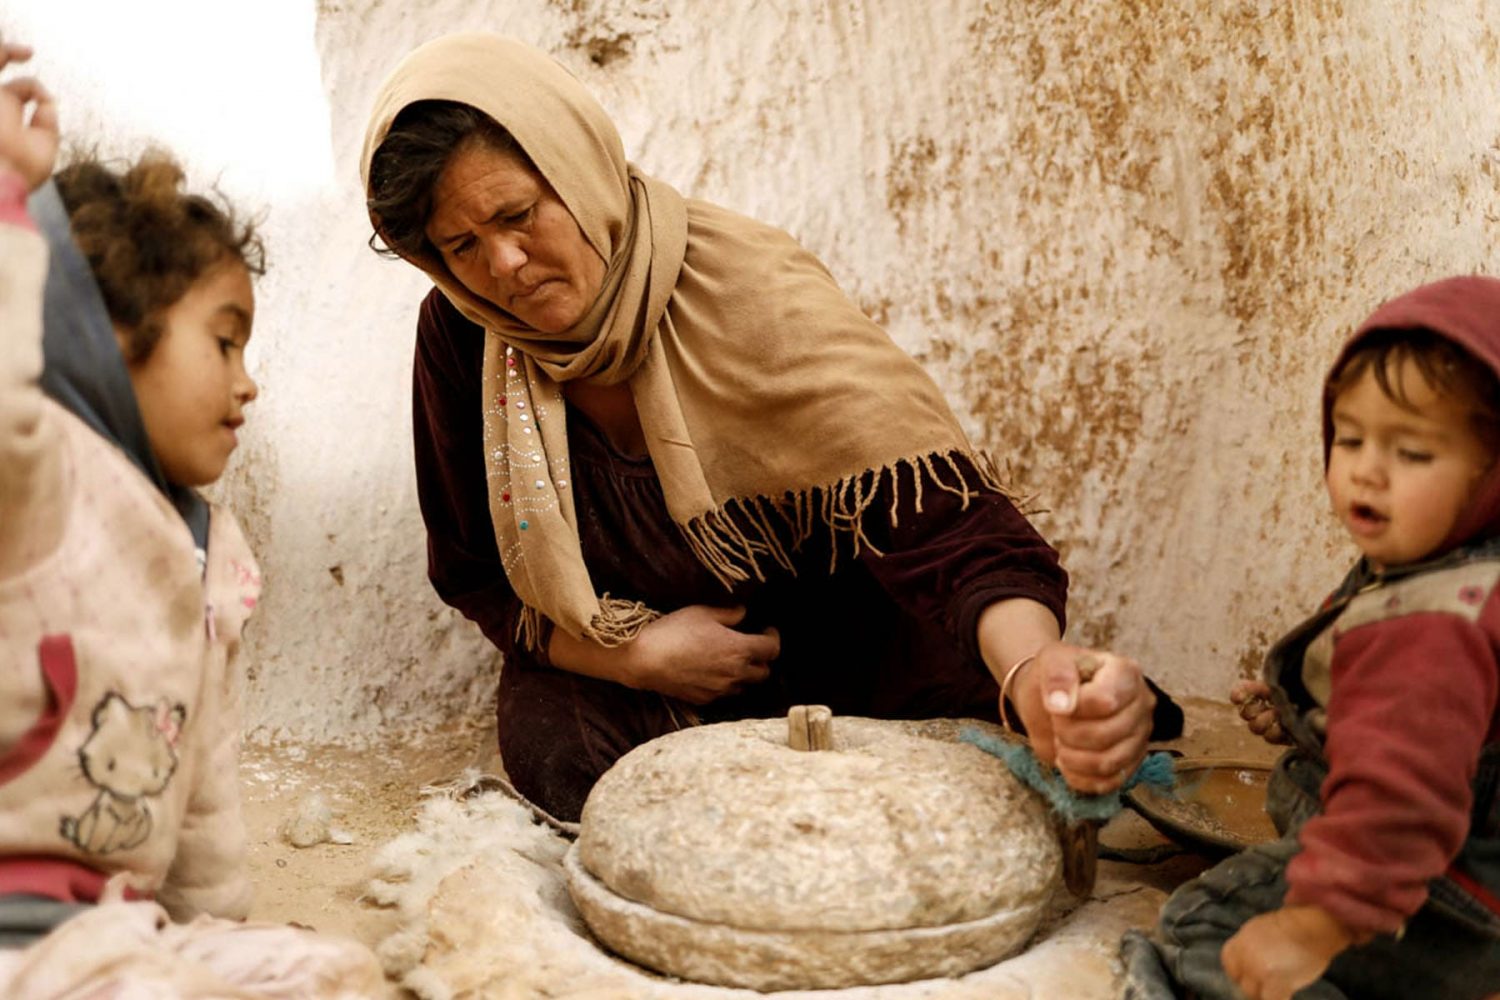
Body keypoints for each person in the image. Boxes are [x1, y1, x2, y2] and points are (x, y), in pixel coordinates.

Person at [361, 33, 1179, 823]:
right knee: (555, 749)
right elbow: (476, 574)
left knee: (973, 741)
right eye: (460, 246)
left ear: (577, 173)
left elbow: (948, 529)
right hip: (651, 676)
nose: (502, 265)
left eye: (518, 215)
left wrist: (1035, 672)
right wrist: (638, 655)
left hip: (840, 645)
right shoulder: (465, 335)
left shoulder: (746, 287)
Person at [0, 41, 383, 997]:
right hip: (15, 929)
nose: (248, 385)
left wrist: (213, 925)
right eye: (224, 341)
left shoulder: (212, 550)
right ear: (101, 334)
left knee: (329, 969)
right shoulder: (38, 478)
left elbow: (201, 770)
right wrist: (10, 194)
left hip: (108, 932)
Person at [1122, 277, 1500, 1000]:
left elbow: (1402, 805)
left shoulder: (1433, 626)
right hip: (1462, 860)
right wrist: (1310, 709)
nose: (1367, 468)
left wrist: (1314, 926)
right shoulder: (1462, 563)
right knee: (1298, 778)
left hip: (1445, 886)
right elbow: (1429, 719)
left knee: (1203, 928)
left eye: (1413, 453)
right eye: (1350, 438)